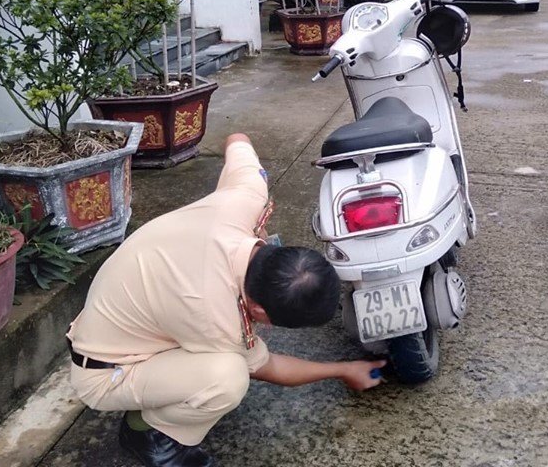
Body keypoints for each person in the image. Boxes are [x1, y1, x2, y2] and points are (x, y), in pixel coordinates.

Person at [66, 133, 385, 467]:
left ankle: (160, 388)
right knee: (227, 378)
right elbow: (271, 368)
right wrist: (343, 370)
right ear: (258, 310)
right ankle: (148, 434)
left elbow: (237, 138)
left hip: (125, 321)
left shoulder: (247, 199)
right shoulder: (212, 315)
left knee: (215, 359)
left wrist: (237, 148)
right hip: (104, 373)